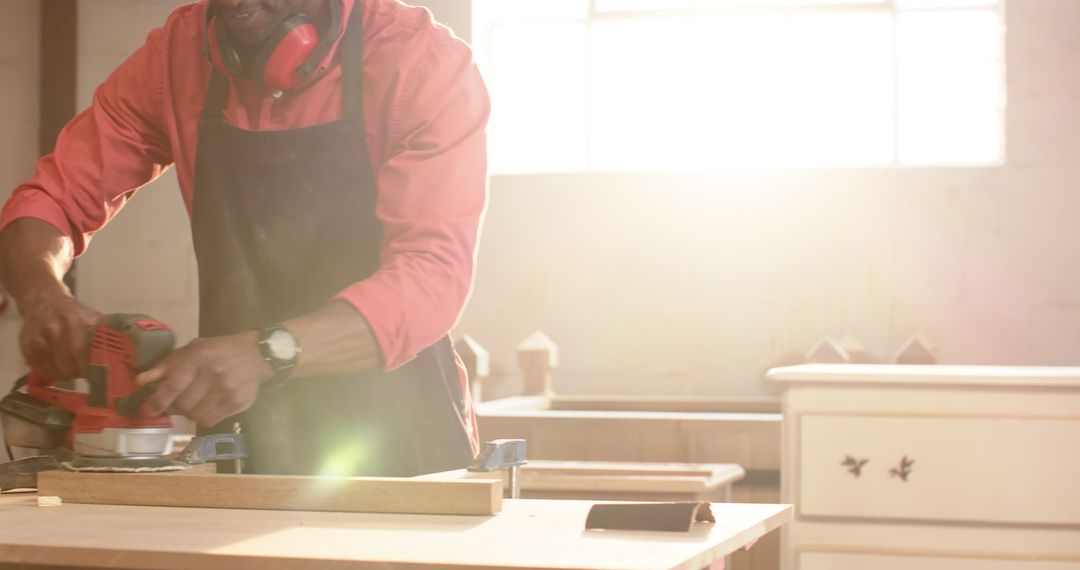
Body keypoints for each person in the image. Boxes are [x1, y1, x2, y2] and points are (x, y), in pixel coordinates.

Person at [0, 0, 488, 476]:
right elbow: (53, 198)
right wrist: (42, 295)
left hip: (403, 442)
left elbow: (431, 275)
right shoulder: (179, 54)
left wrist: (265, 354)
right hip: (247, 442)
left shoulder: (421, 63)